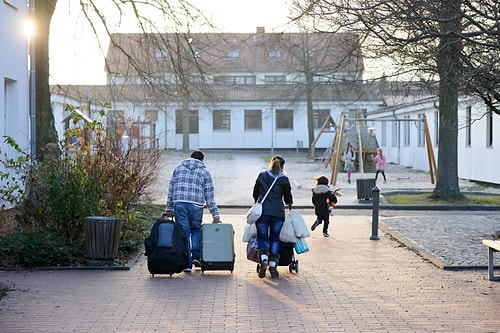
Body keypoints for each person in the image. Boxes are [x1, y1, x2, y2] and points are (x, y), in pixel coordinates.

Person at [165, 150, 220, 273]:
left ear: (190, 158)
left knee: (184, 232)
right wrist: (215, 214)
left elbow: (171, 189)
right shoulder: (204, 171)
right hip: (196, 205)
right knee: (196, 229)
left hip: (179, 203)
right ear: (202, 160)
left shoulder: (178, 169)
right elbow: (209, 195)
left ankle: (187, 264)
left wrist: (169, 207)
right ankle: (196, 257)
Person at [252, 155, 293, 279]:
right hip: (278, 213)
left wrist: (257, 202)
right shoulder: (284, 179)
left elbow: (255, 192)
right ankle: (272, 264)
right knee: (275, 238)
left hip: (262, 212)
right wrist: (289, 204)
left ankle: (263, 259)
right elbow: (288, 198)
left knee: (263, 237)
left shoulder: (262, 175)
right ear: (282, 166)